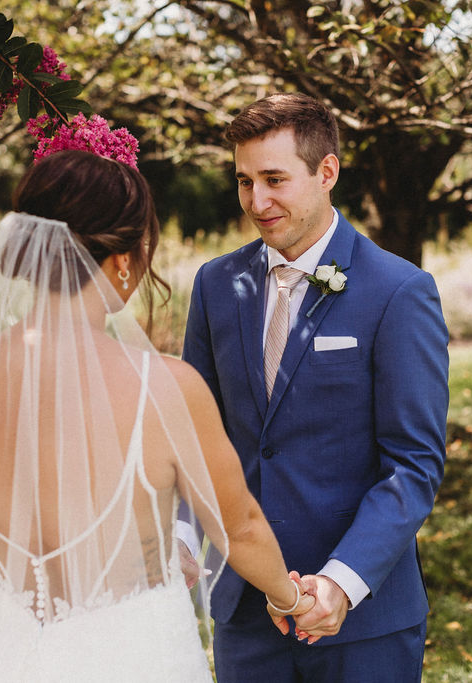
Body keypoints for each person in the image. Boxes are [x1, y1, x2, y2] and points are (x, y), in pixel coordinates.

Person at [0, 149, 313, 682]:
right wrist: (292, 598)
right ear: (122, 261)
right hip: (129, 651)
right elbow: (241, 528)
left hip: (8, 647)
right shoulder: (163, 387)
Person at [182, 93, 450, 682]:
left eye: (275, 179)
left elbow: (414, 464)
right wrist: (181, 536)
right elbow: (193, 439)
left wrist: (341, 582)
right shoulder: (215, 285)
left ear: (327, 171)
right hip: (246, 610)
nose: (258, 200)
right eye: (244, 181)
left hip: (364, 619)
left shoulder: (399, 291)